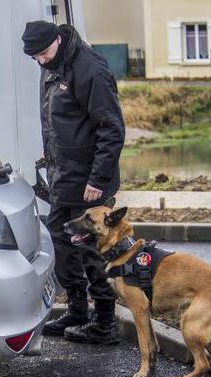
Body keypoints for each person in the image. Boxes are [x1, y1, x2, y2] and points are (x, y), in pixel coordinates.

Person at [22, 21, 125, 344]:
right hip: (63, 176)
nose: (40, 61)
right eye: (35, 57)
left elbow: (111, 128)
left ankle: (105, 322)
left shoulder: (89, 69)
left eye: (43, 53)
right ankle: (78, 309)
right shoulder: (52, 63)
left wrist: (98, 178)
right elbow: (61, 119)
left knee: (92, 250)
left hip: (88, 182)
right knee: (61, 241)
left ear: (57, 40)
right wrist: (50, 152)